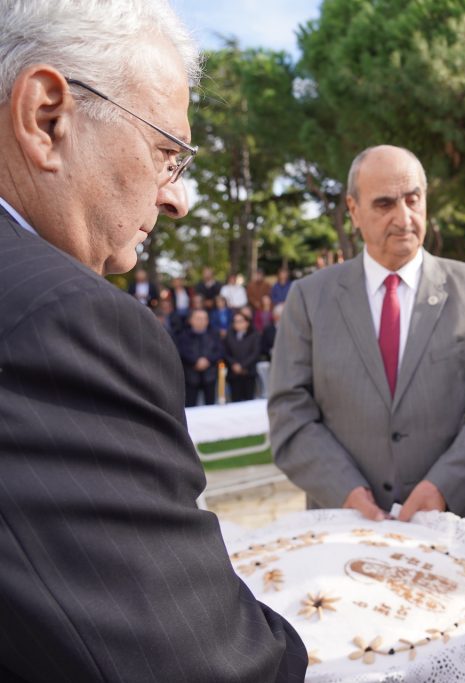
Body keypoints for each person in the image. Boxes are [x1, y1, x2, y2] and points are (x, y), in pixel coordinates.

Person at [0, 1, 307, 680]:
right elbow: (201, 657)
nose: (178, 199)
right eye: (167, 152)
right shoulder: (64, 320)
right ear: (47, 118)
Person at [268, 145, 465, 544]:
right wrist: (344, 489)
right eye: (384, 204)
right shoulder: (309, 299)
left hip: (457, 529)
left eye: (413, 200)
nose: (404, 219)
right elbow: (289, 413)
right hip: (344, 531)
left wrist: (442, 485)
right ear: (353, 210)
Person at [178, 308, 223, 407]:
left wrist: (207, 360)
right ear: (191, 320)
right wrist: (195, 361)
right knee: (191, 406)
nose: (201, 321)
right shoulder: (183, 335)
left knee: (210, 406)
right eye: (198, 318)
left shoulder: (214, 334)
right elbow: (182, 352)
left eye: (204, 319)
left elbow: (219, 351)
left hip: (210, 375)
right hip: (191, 376)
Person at [224, 311, 261, 402]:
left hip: (249, 373)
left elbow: (255, 353)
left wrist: (243, 366)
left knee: (249, 401)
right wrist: (234, 364)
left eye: (240, 321)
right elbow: (225, 352)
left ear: (247, 323)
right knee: (235, 401)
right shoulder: (229, 335)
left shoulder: (255, 335)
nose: (237, 324)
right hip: (234, 374)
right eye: (235, 321)